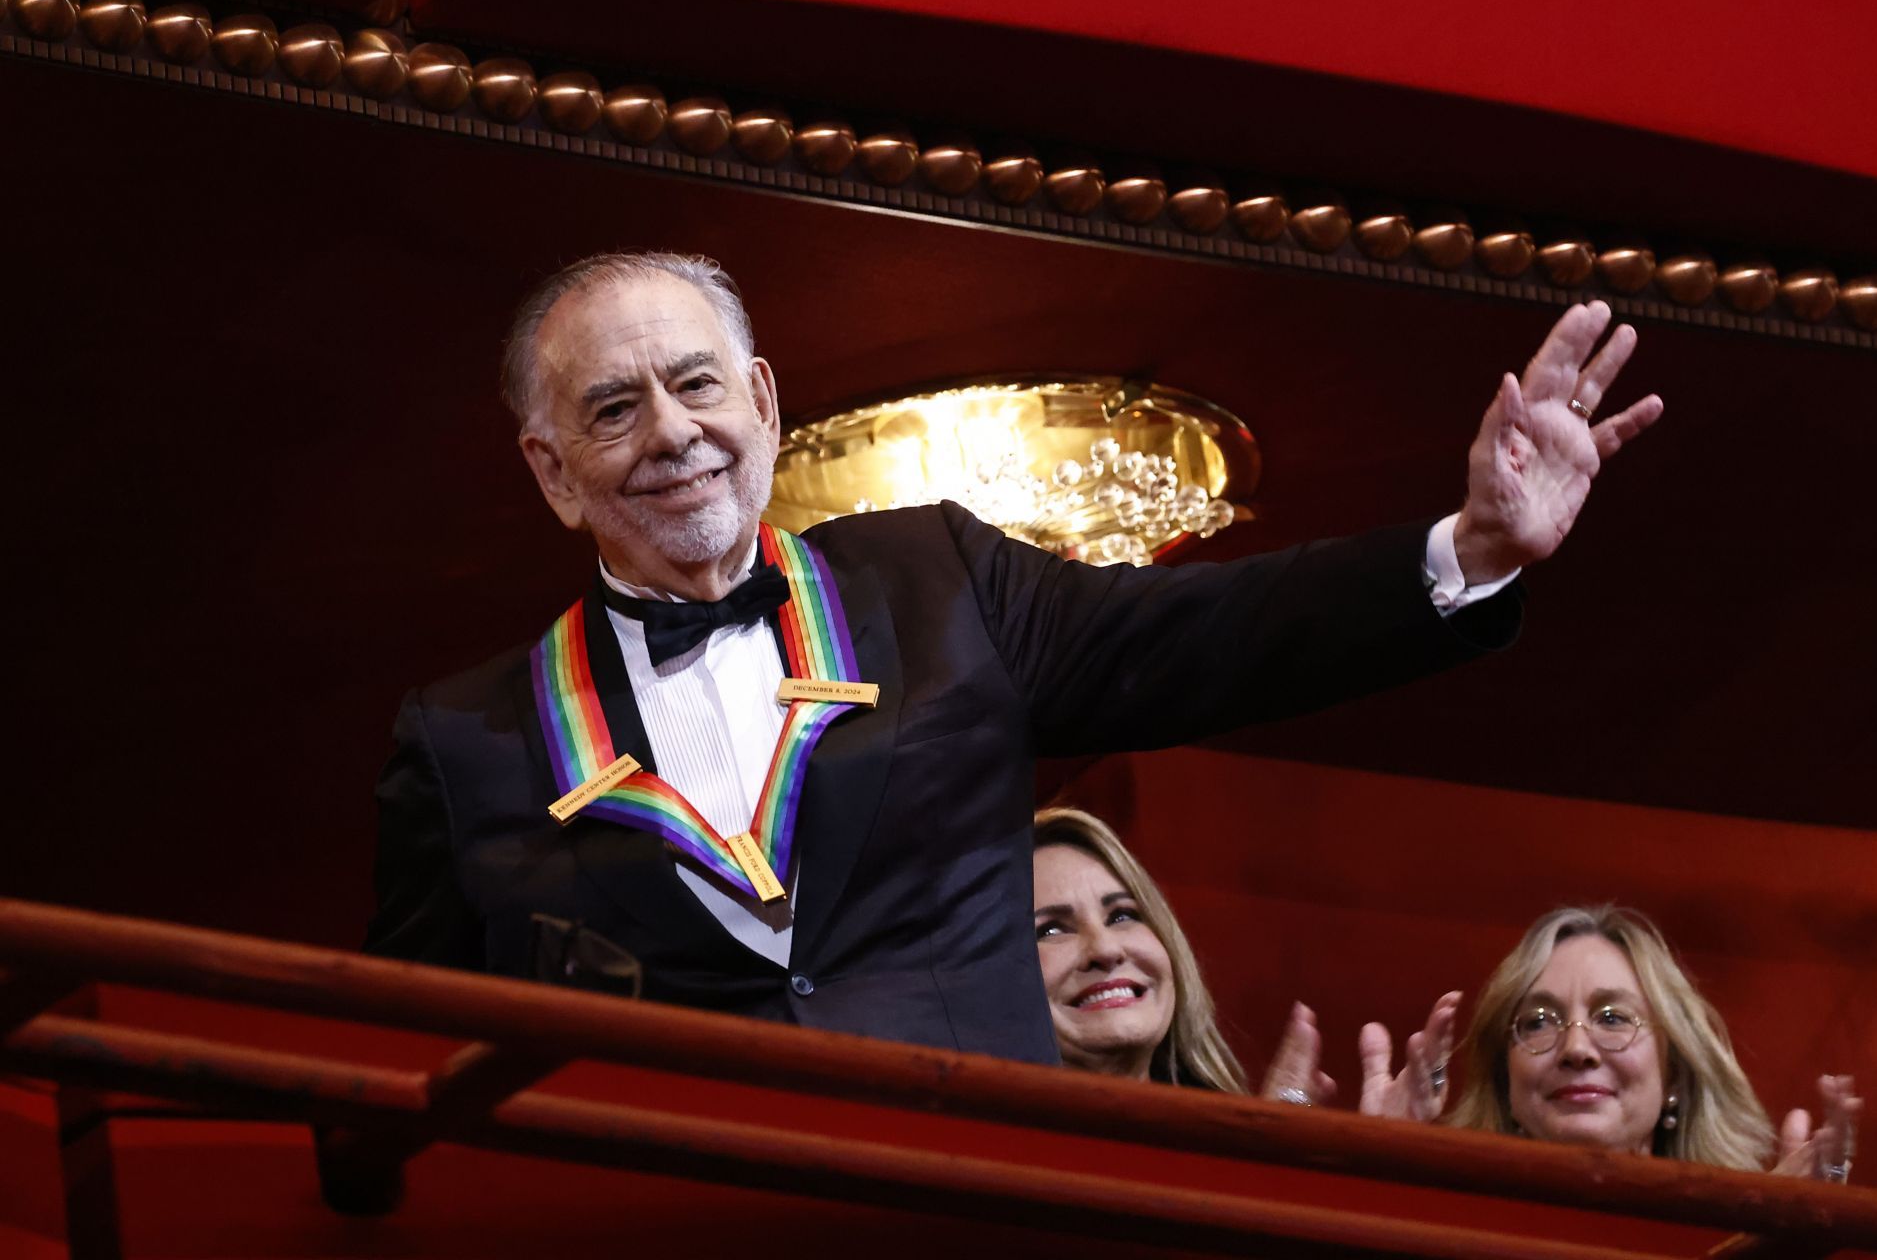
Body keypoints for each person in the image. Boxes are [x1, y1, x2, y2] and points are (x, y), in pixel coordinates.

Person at [365, 250, 1662, 1064]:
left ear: (762, 401)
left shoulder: (937, 577)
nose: (672, 432)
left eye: (697, 386)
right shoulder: (467, 737)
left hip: (982, 1203)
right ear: (551, 474)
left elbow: (1212, 638)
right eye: (612, 408)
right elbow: (398, 1061)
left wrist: (1472, 546)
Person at [1033, 806, 1453, 1120]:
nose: (1105, 948)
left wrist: (1374, 1165)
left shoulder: (1227, 1139)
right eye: (1050, 930)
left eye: (1123, 915)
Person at [1447, 904, 1863, 1180]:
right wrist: (1382, 1180)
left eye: (1612, 1017)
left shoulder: (1737, 1239)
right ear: (1505, 1081)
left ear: (1676, 1077)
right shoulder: (1448, 1228)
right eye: (1538, 1022)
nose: (1576, 1048)